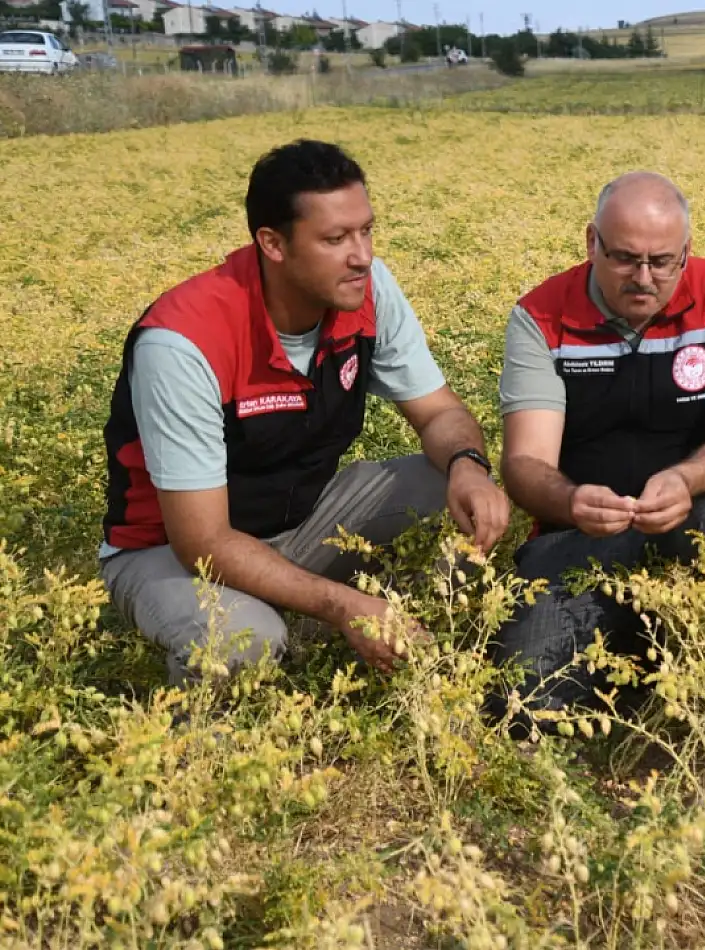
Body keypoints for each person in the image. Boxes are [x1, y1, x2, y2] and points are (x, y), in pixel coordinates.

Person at [100, 139, 510, 684]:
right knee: (244, 645)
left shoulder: (365, 289)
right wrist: (343, 605)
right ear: (272, 244)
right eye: (335, 239)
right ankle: (202, 741)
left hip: (298, 523)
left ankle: (412, 643)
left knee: (454, 489)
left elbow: (440, 414)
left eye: (366, 230)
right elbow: (202, 541)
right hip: (170, 552)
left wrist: (468, 466)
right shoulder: (184, 342)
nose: (361, 255)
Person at [492, 171, 705, 714]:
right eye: (624, 258)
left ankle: (693, 652)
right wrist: (572, 502)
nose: (643, 277)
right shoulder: (541, 316)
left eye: (661, 261)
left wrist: (686, 479)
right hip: (581, 535)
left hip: (693, 514)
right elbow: (526, 462)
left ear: (686, 253)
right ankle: (634, 644)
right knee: (526, 699)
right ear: (590, 243)